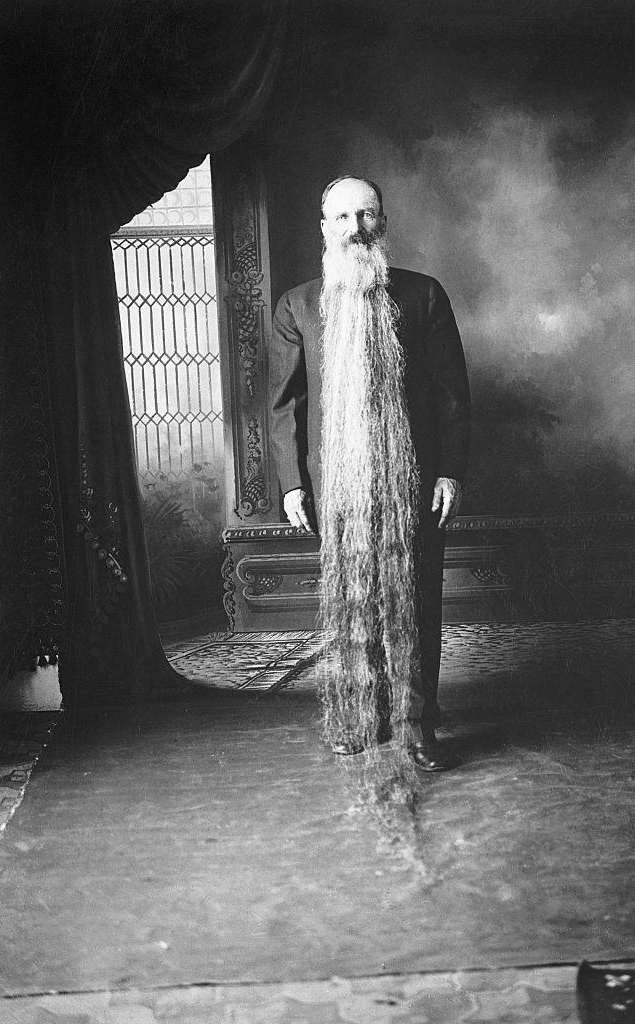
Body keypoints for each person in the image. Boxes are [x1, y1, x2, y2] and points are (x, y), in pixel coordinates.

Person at [269, 175, 470, 771]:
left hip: (412, 482)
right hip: (337, 486)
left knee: (413, 601)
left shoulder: (424, 296)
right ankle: (360, 716)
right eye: (343, 217)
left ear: (382, 223)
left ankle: (415, 726)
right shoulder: (298, 305)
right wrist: (292, 484)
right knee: (354, 600)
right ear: (324, 227)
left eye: (367, 215)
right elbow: (285, 405)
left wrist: (450, 473)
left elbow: (451, 394)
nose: (356, 228)